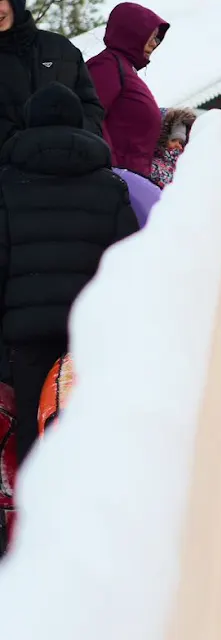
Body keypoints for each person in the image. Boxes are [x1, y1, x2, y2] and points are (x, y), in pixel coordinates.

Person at [0, 83, 138, 464]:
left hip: (27, 341)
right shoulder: (110, 187)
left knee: (33, 432)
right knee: (91, 429)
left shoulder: (7, 185)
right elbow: (129, 268)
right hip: (91, 336)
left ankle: (37, 516)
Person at [0, 0, 103, 151]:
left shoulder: (61, 49)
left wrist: (74, 138)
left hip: (71, 167)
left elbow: (91, 108)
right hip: (10, 173)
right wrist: (20, 146)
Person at [86, 2, 169, 224]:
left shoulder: (123, 68)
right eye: (150, 36)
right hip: (118, 184)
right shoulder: (105, 66)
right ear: (131, 33)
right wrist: (109, 171)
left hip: (130, 180)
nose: (155, 44)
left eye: (157, 38)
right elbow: (91, 118)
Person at [150, 106, 197, 190]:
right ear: (164, 139)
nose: (178, 145)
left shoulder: (184, 166)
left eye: (181, 143)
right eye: (174, 140)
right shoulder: (152, 165)